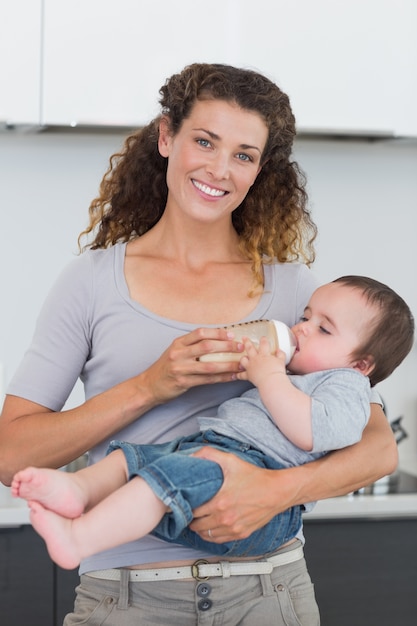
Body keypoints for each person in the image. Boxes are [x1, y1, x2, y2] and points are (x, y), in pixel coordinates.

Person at [0, 63, 399, 625]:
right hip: (126, 598)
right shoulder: (91, 282)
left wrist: (273, 492)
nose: (219, 168)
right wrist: (148, 387)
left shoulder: (299, 295)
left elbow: (379, 449)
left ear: (260, 170)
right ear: (167, 137)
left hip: (269, 589)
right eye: (204, 141)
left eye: (244, 154)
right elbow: (10, 455)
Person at [12, 275, 414, 572]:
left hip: (259, 477)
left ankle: (80, 537)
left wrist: (268, 376)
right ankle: (77, 488)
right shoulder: (295, 370)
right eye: (307, 316)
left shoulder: (345, 384)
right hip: (213, 446)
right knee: (133, 459)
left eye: (323, 328)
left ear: (362, 365)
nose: (302, 328)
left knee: (162, 481)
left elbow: (313, 432)